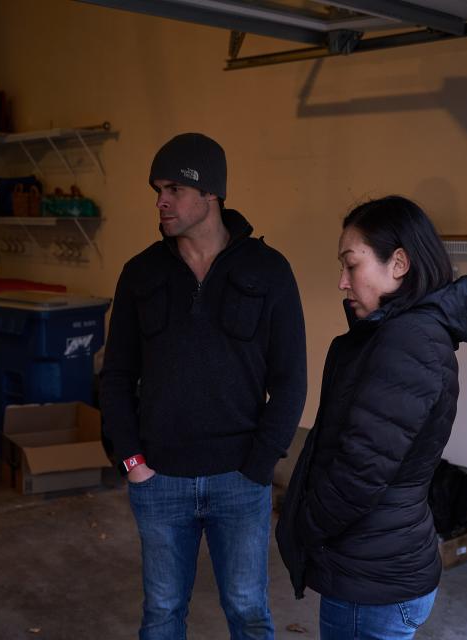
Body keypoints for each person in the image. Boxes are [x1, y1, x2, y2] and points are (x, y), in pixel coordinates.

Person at [99, 132, 307, 640]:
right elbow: (117, 375)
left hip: (239, 481)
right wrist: (132, 461)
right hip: (159, 480)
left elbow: (291, 379)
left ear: (210, 193)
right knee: (163, 612)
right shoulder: (141, 273)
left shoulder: (268, 270)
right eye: (157, 189)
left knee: (248, 611)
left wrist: (259, 467)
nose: (160, 201)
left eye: (173, 188)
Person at [276, 195, 467, 639]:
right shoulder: (404, 335)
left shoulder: (408, 341)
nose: (342, 282)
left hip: (370, 578)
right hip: (379, 562)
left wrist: (306, 525)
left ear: (398, 263)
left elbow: (361, 469)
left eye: (351, 265)